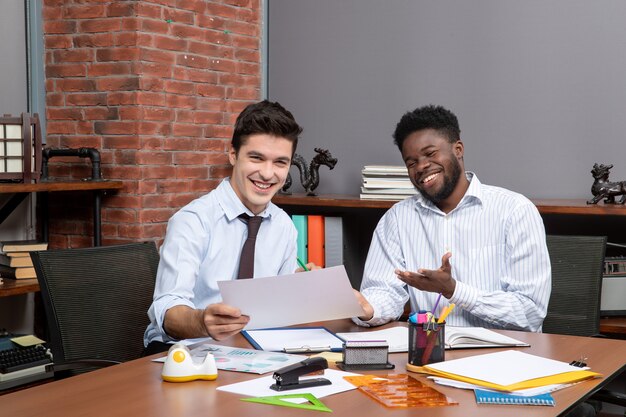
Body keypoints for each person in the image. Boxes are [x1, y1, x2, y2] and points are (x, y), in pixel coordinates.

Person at [354, 104, 552, 331]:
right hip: (429, 354)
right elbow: (384, 291)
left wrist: (454, 290)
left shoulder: (515, 211)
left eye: (430, 154)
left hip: (505, 355)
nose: (421, 166)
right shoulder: (396, 220)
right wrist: (368, 309)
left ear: (458, 149)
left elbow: (530, 311)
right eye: (411, 162)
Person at [144, 100, 313, 354]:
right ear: (233, 155)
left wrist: (299, 286)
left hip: (251, 351)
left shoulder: (284, 226)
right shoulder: (193, 220)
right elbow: (167, 309)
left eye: (280, 162)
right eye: (256, 158)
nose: (268, 174)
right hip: (182, 351)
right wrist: (201, 321)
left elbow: (274, 309)